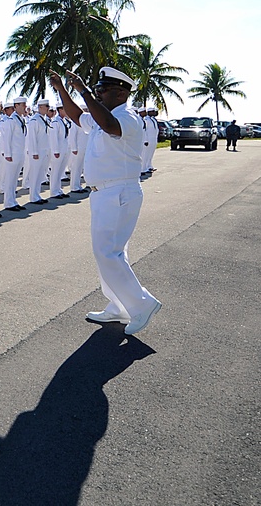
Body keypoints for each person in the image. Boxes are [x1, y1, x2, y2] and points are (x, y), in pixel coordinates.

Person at [50, 67, 161, 335]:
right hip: (104, 194)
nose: (97, 94)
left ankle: (141, 304)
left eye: (102, 90)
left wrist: (84, 91)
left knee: (107, 252)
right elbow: (77, 117)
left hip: (118, 193)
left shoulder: (127, 118)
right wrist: (62, 89)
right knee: (112, 253)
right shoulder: (103, 118)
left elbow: (110, 126)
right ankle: (118, 305)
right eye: (96, 89)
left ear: (121, 93)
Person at [0, 97, 28, 212]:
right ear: (16, 106)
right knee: (10, 179)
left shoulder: (21, 119)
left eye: (25, 104)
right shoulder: (11, 120)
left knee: (14, 179)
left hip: (19, 153)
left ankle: (13, 201)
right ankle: (8, 202)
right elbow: (7, 138)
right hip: (13, 154)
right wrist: (8, 153)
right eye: (22, 105)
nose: (25, 107)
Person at [25, 99, 52, 205]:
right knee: (35, 174)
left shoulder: (43, 119)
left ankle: (37, 195)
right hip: (37, 152)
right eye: (46, 106)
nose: (48, 108)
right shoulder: (34, 120)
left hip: (44, 151)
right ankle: (33, 196)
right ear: (40, 107)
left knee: (40, 174)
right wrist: (34, 152)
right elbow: (32, 138)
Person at [48, 102, 71, 199]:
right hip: (58, 151)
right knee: (55, 171)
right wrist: (56, 151)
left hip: (64, 149)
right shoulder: (55, 122)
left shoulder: (63, 121)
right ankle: (54, 191)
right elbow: (54, 138)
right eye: (65, 108)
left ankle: (58, 189)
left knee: (60, 171)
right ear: (60, 110)